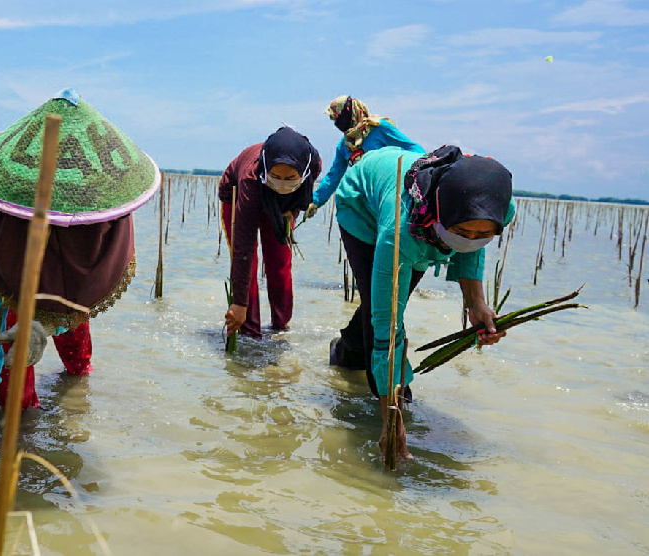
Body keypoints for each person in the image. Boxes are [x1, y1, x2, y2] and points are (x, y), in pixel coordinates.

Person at [0, 89, 160, 459]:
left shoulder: (104, 215)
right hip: (12, 273)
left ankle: (78, 377)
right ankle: (22, 439)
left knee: (74, 341)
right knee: (12, 377)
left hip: (70, 289)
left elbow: (84, 286)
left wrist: (48, 324)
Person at [334, 144, 514, 460]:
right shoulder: (400, 232)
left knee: (381, 303)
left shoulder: (498, 208)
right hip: (361, 205)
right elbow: (387, 327)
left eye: (483, 233)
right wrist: (393, 415)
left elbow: (471, 245)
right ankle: (389, 394)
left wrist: (477, 304)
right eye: (462, 231)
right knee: (386, 309)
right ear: (441, 216)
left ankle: (346, 349)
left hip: (423, 225)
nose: (471, 239)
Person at [306, 95, 426, 371]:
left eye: (340, 116)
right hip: (362, 213)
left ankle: (353, 345)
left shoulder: (381, 128)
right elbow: (334, 176)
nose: (338, 122)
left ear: (353, 112)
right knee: (374, 292)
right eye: (334, 120)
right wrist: (315, 201)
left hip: (390, 208)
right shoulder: (345, 144)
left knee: (385, 293)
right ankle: (358, 352)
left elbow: (416, 151)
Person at [220, 126, 322, 340]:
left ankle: (280, 326)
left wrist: (292, 212)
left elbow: (304, 192)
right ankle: (250, 331)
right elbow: (243, 249)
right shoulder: (250, 179)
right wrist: (238, 303)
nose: (282, 183)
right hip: (241, 192)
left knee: (280, 262)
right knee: (250, 263)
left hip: (281, 204)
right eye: (276, 176)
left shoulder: (313, 163)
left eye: (290, 178)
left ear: (302, 171)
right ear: (267, 169)